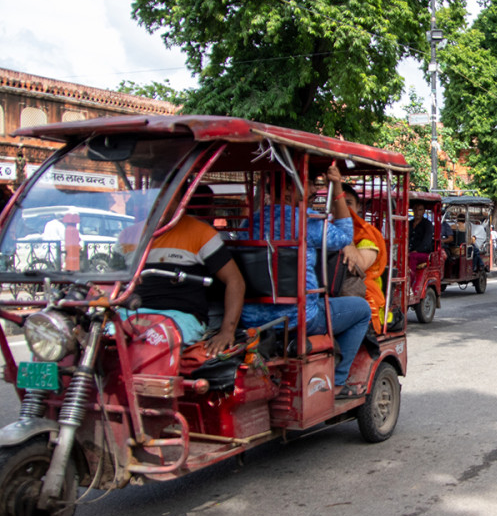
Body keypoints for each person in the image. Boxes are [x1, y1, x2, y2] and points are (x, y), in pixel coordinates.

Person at [240, 164, 370, 398]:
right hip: (299, 319)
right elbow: (344, 237)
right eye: (310, 182)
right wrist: (337, 186)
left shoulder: (249, 223)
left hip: (252, 319)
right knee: (361, 309)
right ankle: (339, 381)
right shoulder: (306, 222)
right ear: (290, 189)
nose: (314, 189)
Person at [120, 190, 246, 355]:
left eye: (164, 196)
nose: (158, 202)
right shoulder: (128, 235)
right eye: (154, 196)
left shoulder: (202, 233)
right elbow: (112, 279)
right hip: (131, 313)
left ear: (180, 199)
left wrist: (227, 332)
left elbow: (235, 281)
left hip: (181, 316)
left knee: (153, 343)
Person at [341, 184, 389, 333]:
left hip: (364, 298)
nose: (343, 208)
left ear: (358, 206)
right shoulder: (325, 229)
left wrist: (344, 237)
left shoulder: (367, 235)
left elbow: (359, 265)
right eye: (337, 203)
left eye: (348, 203)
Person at [408, 200, 434, 283]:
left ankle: (409, 283)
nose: (417, 212)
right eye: (415, 209)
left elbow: (427, 241)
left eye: (420, 209)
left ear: (424, 211)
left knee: (412, 256)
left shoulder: (427, 224)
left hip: (423, 253)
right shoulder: (409, 223)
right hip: (409, 251)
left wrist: (417, 250)